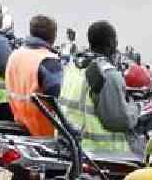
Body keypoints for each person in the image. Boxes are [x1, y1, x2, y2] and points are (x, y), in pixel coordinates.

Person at [58, 21, 140, 154]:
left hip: (71, 143)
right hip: (100, 152)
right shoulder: (108, 74)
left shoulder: (73, 67)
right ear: (110, 44)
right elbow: (118, 121)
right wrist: (135, 108)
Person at [5, 15, 63, 136]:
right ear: (53, 36)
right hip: (44, 132)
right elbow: (59, 98)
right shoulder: (48, 60)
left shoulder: (15, 55)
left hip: (20, 125)